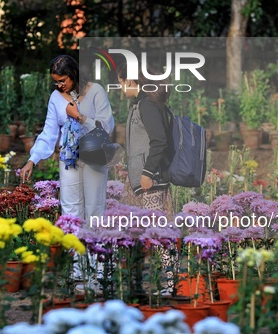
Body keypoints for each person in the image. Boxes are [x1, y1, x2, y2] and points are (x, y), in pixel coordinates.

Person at [20, 54, 115, 223]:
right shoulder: (55, 98)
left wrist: (79, 116)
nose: (59, 85)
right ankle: (73, 248)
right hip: (69, 158)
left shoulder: (96, 91)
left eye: (63, 80)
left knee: (95, 208)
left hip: (95, 155)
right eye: (56, 82)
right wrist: (32, 160)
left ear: (74, 73)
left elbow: (107, 127)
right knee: (70, 207)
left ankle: (95, 249)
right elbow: (49, 132)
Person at [117, 65, 176, 295]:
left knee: (160, 232)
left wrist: (147, 172)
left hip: (149, 182)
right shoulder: (140, 104)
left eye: (122, 82)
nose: (121, 87)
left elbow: (159, 141)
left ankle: (170, 285)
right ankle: (136, 284)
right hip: (138, 183)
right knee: (133, 231)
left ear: (131, 81)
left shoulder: (148, 105)